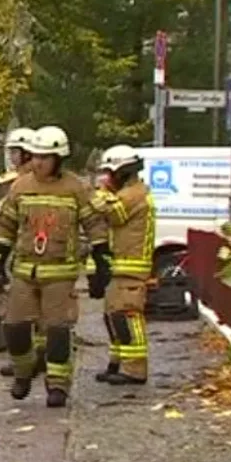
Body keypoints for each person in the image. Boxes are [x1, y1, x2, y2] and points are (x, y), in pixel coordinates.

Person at [0, 126, 110, 408]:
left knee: (57, 331)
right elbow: (6, 224)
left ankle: (57, 385)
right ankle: (23, 372)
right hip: (25, 271)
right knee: (15, 327)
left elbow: (94, 225)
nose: (38, 162)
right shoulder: (20, 187)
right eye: (35, 156)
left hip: (60, 272)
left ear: (59, 158)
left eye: (45, 157)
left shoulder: (75, 188)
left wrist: (102, 259)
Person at [91, 145, 156, 385]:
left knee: (128, 316)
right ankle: (117, 363)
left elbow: (111, 214)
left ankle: (135, 370)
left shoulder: (133, 195)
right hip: (120, 268)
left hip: (131, 268)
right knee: (113, 317)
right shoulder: (129, 192)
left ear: (121, 171)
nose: (107, 177)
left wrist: (99, 191)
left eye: (110, 172)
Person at [0, 127, 45, 379]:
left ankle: (28, 361)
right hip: (27, 250)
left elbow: (8, 217)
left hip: (27, 252)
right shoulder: (22, 180)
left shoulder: (23, 183)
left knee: (23, 311)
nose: (12, 157)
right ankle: (37, 357)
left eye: (15, 152)